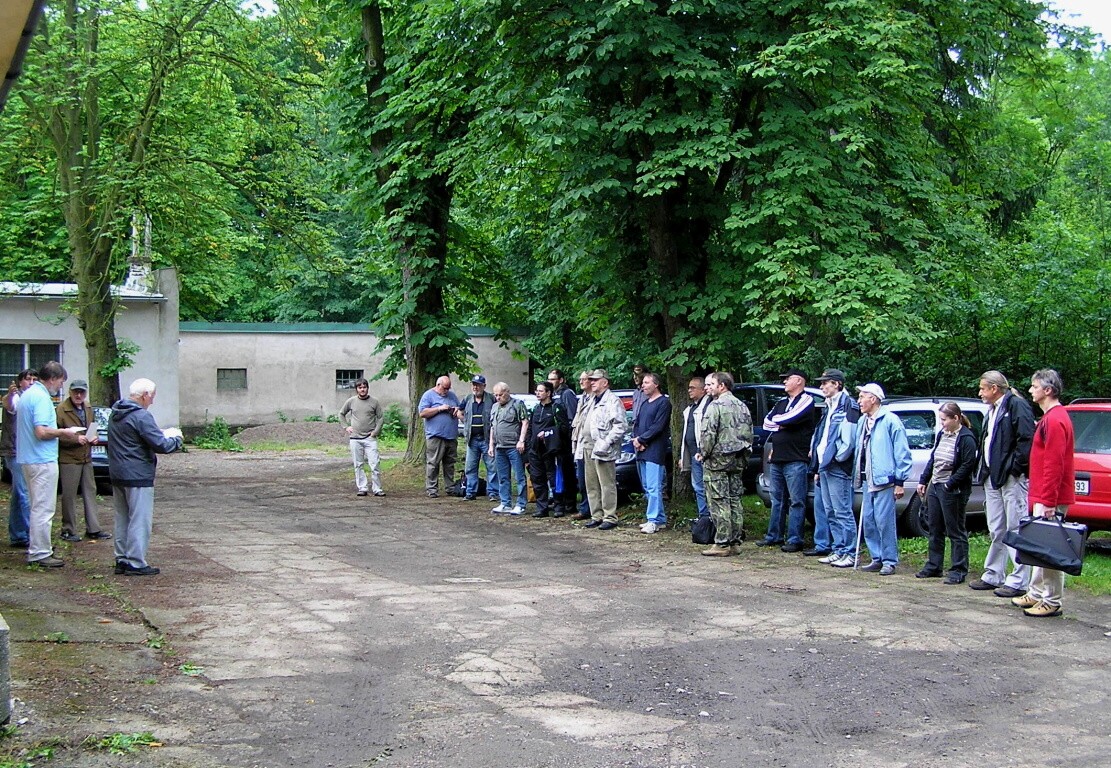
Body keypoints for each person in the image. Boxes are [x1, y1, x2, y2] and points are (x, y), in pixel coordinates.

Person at [1012, 369, 1074, 618]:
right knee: (1039, 545)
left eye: (1034, 386)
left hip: (1051, 498)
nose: (1030, 390)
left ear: (1047, 390)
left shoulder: (1056, 419)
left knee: (1050, 548)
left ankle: (1052, 599)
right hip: (1042, 494)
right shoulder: (1050, 418)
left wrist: (1048, 500)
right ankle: (1037, 592)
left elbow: (1055, 463)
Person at [107, 378, 183, 576]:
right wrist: (176, 438)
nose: (152, 401)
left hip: (117, 473)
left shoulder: (116, 414)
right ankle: (136, 562)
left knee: (122, 517)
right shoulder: (141, 416)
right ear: (145, 395)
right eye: (152, 396)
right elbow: (162, 445)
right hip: (138, 474)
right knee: (139, 519)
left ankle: (122, 558)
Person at [970, 370, 1035, 598]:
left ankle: (1018, 580)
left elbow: (1026, 439)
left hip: (1010, 478)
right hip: (992, 476)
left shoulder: (1016, 406)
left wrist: (1014, 468)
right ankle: (993, 574)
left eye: (982, 389)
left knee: (1015, 527)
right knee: (996, 527)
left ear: (994, 388)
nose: (980, 393)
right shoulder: (992, 410)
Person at [16, 361, 87, 568]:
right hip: (42, 459)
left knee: (37, 506)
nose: (61, 387)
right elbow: (41, 431)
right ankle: (40, 552)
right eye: (61, 382)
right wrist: (65, 432)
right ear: (53, 379)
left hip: (29, 458)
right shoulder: (41, 398)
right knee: (43, 509)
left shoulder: (27, 394)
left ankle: (39, 547)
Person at [915, 402, 979, 584]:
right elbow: (934, 458)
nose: (941, 423)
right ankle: (934, 565)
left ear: (956, 418)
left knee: (955, 529)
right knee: (935, 527)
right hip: (935, 485)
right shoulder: (942, 434)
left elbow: (968, 465)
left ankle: (958, 569)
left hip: (953, 489)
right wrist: (923, 480)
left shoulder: (966, 438)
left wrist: (950, 484)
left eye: (944, 420)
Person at [852, 383, 912, 576]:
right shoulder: (863, 421)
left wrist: (900, 481)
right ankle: (876, 557)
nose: (859, 401)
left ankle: (889, 560)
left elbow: (902, 452)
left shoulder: (890, 420)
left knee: (884, 521)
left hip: (884, 479)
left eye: (862, 397)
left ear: (874, 399)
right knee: (868, 520)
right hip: (867, 478)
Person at [758, 368, 817, 552]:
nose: (784, 382)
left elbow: (792, 418)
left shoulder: (807, 400)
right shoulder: (782, 402)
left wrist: (782, 422)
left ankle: (794, 539)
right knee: (778, 499)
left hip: (796, 458)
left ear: (799, 381)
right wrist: (781, 423)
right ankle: (774, 535)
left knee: (797, 500)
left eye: (787, 379)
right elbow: (767, 423)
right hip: (777, 458)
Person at [697, 372, 753, 556]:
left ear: (722, 386)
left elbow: (708, 434)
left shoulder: (716, 406)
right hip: (738, 459)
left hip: (717, 461)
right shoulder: (742, 406)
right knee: (735, 500)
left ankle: (722, 543)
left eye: (711, 384)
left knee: (719, 501)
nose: (707, 388)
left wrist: (703, 454)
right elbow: (749, 433)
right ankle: (735, 541)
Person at [810, 369, 859, 567]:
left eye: (825, 383)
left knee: (842, 511)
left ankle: (850, 552)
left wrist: (836, 459)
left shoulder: (848, 405)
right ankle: (838, 549)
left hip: (837, 467)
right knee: (829, 510)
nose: (822, 387)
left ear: (837, 384)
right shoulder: (830, 406)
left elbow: (848, 441)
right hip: (825, 466)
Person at [56, 379, 110, 541]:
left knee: (90, 492)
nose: (78, 395)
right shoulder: (61, 409)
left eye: (82, 392)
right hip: (69, 458)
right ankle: (68, 529)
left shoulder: (87, 407)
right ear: (70, 392)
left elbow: (92, 426)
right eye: (75, 392)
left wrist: (93, 437)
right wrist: (75, 440)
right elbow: (56, 435)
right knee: (69, 495)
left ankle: (93, 528)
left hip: (86, 457)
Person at [582, 369, 626, 530]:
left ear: (605, 382)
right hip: (588, 446)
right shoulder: (591, 399)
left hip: (604, 448)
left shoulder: (612, 400)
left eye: (595, 380)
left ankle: (610, 516)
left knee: (606, 484)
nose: (591, 382)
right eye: (591, 380)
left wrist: (606, 442)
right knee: (591, 483)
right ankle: (596, 515)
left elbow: (620, 425)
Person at [632, 372, 672, 533]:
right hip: (641, 450)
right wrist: (636, 440)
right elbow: (637, 424)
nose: (643, 385)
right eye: (643, 383)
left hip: (655, 450)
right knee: (647, 486)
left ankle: (653, 519)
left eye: (647, 382)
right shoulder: (645, 403)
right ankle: (660, 518)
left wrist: (642, 440)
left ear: (656, 384)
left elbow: (658, 426)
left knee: (655, 486)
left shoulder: (664, 403)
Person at [2, 368, 36, 548]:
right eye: (27, 379)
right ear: (20, 382)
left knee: (18, 493)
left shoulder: (31, 398)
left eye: (34, 379)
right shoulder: (17, 398)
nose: (31, 382)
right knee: (24, 493)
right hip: (14, 451)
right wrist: (8, 395)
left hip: (22, 450)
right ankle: (33, 535)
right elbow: (9, 404)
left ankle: (18, 535)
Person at [527, 381, 568, 518]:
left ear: (549, 393)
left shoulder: (557, 408)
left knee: (554, 479)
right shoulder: (535, 409)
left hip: (551, 451)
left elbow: (564, 429)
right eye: (536, 391)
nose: (537, 393)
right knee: (537, 479)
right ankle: (541, 508)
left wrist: (548, 433)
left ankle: (559, 507)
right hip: (535, 451)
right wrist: (529, 446)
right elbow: (530, 429)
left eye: (540, 391)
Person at [339, 378, 384, 497]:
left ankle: (377, 488)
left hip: (370, 438)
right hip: (355, 438)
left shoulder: (374, 402)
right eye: (360, 387)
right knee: (358, 464)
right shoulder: (351, 401)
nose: (362, 389)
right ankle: (362, 487)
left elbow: (380, 417)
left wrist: (376, 431)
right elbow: (341, 414)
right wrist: (346, 427)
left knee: (374, 464)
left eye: (364, 387)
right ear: (356, 389)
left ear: (367, 388)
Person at [489, 382, 529, 515]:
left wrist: (521, 440)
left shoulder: (517, 404)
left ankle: (521, 504)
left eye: (500, 395)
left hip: (513, 446)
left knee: (519, 476)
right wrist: (491, 445)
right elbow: (492, 427)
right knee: (503, 476)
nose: (498, 397)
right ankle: (505, 502)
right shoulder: (494, 407)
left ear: (507, 392)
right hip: (499, 447)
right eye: (496, 395)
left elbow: (525, 422)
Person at [418, 375, 461, 498]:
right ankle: (432, 489)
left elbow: (459, 410)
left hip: (451, 436)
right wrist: (439, 409)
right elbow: (422, 413)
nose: (447, 391)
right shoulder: (428, 395)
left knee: (450, 464)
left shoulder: (452, 396)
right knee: (433, 463)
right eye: (445, 388)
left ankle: (450, 487)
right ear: (438, 385)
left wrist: (456, 410)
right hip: (435, 436)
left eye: (448, 388)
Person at [459, 375, 498, 502]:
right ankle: (470, 492)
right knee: (470, 467)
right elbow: (459, 411)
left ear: (484, 386)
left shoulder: (491, 398)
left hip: (487, 439)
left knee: (492, 467)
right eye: (474, 385)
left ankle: (493, 493)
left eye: (478, 385)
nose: (475, 387)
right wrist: (465, 423)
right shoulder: (468, 399)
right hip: (472, 439)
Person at [546, 369, 579, 516]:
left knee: (568, 472)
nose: (551, 382)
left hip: (566, 441)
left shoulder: (567, 394)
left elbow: (572, 418)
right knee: (558, 473)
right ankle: (560, 500)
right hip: (556, 441)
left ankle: (570, 504)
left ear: (561, 380)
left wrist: (569, 437)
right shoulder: (553, 395)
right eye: (549, 379)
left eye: (553, 379)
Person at [680, 377, 712, 520]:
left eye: (693, 388)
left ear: (702, 389)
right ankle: (703, 516)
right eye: (689, 387)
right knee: (698, 488)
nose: (689, 390)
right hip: (693, 454)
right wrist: (683, 456)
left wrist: (702, 450)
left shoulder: (709, 406)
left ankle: (709, 517)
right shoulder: (691, 408)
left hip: (704, 454)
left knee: (707, 488)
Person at [570, 371, 594, 520]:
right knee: (582, 478)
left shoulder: (595, 399)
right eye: (580, 379)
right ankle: (586, 508)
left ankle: (592, 509)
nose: (581, 382)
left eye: (583, 379)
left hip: (591, 444)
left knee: (591, 480)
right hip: (580, 443)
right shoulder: (581, 399)